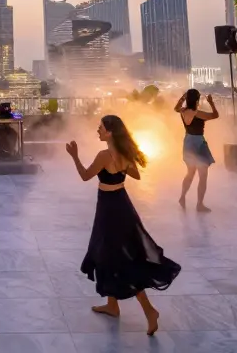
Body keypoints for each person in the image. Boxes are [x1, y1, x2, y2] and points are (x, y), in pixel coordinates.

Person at [67, 115, 180, 336]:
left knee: (119, 259)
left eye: (100, 128)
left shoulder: (104, 155)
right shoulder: (123, 154)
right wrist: (123, 164)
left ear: (109, 132)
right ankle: (112, 305)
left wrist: (74, 156)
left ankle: (149, 311)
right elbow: (135, 175)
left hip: (110, 211)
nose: (97, 131)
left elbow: (84, 176)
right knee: (107, 254)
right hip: (122, 205)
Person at [175, 89, 219, 212]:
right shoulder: (198, 113)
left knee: (190, 173)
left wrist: (182, 98)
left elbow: (176, 108)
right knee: (203, 176)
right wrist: (211, 103)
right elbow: (215, 115)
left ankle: (182, 197)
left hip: (188, 142)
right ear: (197, 100)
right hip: (198, 144)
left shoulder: (183, 111)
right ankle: (199, 204)